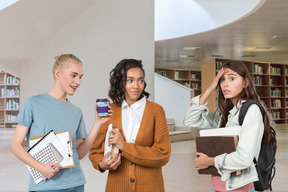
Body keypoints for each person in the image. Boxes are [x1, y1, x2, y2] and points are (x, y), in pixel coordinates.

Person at [11, 54, 112, 192]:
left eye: (80, 77)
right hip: (45, 187)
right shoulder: (33, 103)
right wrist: (40, 167)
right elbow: (15, 145)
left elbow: (80, 154)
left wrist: (98, 123)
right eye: (74, 75)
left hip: (76, 185)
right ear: (57, 73)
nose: (78, 82)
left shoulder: (76, 112)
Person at [184, 60, 276, 192]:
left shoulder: (251, 110)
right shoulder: (225, 114)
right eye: (221, 80)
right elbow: (190, 120)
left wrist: (210, 161)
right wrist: (210, 88)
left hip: (240, 187)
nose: (225, 84)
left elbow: (244, 159)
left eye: (232, 78)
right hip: (218, 185)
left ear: (245, 83)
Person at [89, 59, 171, 192]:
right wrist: (102, 164)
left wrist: (124, 147)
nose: (136, 86)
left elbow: (163, 155)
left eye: (140, 80)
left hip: (150, 187)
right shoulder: (111, 110)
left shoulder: (156, 110)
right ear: (121, 83)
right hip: (117, 186)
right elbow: (95, 152)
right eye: (130, 80)